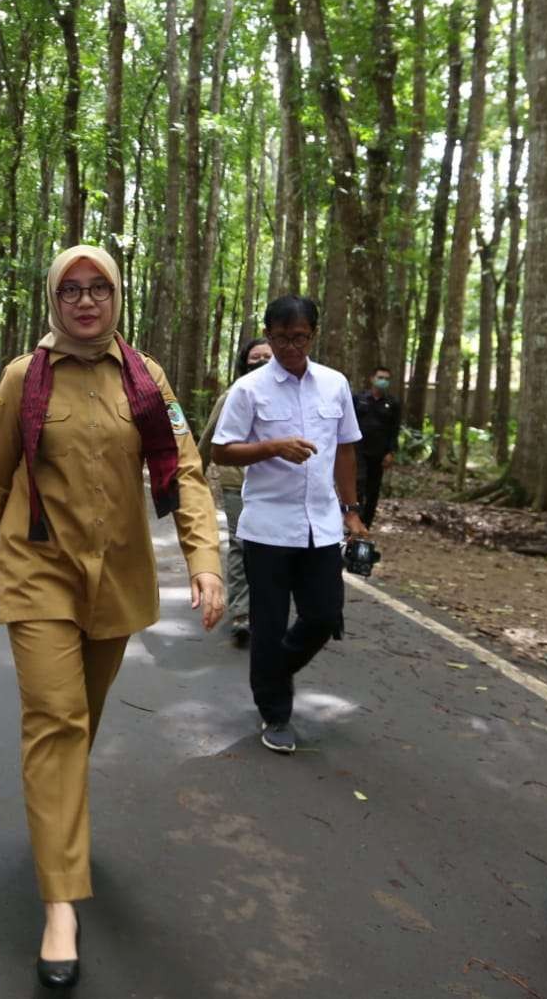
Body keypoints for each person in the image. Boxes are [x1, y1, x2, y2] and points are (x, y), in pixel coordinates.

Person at [0, 244, 225, 990]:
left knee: (82, 720)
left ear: (116, 297)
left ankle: (57, 829)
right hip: (39, 570)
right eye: (70, 289)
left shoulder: (146, 378)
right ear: (52, 298)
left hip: (116, 578)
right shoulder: (23, 379)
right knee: (57, 722)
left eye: (97, 288)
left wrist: (204, 561)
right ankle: (60, 906)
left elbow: (186, 469)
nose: (83, 301)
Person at [211, 295, 369, 754]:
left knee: (324, 615)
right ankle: (275, 714)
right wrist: (272, 447)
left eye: (299, 338)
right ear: (268, 334)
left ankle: (272, 672)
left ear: (313, 335)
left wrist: (351, 509)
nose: (290, 348)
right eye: (281, 338)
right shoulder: (250, 390)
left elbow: (346, 450)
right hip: (267, 528)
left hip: (320, 526)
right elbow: (222, 450)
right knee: (269, 622)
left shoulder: (335, 385)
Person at [200, 337, 273, 647]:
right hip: (236, 483)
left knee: (270, 549)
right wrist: (190, 480)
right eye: (255, 358)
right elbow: (207, 440)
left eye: (267, 357)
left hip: (274, 487)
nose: (261, 362)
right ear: (245, 363)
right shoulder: (232, 395)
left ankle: (267, 608)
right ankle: (242, 613)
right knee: (242, 545)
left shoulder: (291, 396)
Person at [352, 364, 402, 527]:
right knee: (358, 484)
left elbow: (394, 430)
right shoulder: (359, 399)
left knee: (373, 490)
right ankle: (355, 520)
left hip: (379, 453)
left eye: (386, 379)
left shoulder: (392, 404)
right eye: (380, 378)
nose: (383, 381)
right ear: (372, 379)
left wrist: (390, 452)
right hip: (359, 450)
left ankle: (366, 523)